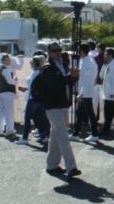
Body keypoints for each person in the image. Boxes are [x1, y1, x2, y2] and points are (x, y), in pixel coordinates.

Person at [31, 42, 81, 177]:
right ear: (49, 53)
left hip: (63, 104)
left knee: (55, 135)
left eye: (59, 50)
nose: (57, 52)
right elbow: (55, 84)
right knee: (64, 136)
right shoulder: (47, 68)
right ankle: (71, 167)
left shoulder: (63, 65)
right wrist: (70, 77)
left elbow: (67, 83)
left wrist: (74, 78)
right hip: (52, 106)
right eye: (54, 51)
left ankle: (52, 165)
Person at [17, 55, 49, 145]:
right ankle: (44, 136)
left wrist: (27, 90)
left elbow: (35, 87)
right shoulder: (37, 73)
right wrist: (26, 89)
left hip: (33, 99)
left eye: (32, 63)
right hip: (34, 98)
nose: (31, 64)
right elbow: (33, 86)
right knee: (37, 119)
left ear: (35, 64)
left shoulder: (37, 73)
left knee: (28, 118)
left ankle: (25, 138)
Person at [73, 44, 99, 142]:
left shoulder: (87, 62)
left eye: (79, 51)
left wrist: (81, 93)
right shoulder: (86, 61)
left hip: (86, 93)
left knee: (90, 114)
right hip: (85, 92)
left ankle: (94, 134)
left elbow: (87, 79)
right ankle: (76, 133)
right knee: (79, 113)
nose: (78, 53)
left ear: (82, 51)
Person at [0, 54, 18, 138]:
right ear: (3, 61)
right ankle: (10, 130)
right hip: (7, 92)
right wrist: (15, 79)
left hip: (0, 92)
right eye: (7, 60)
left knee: (1, 112)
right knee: (9, 112)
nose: (9, 61)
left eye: (9, 60)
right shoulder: (6, 69)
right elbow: (10, 82)